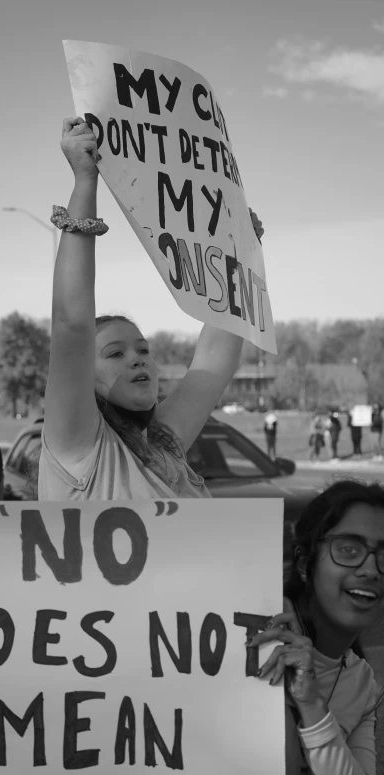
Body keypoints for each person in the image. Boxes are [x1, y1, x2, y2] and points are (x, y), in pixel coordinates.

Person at [37, 117, 264, 501]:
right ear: (82, 375)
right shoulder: (77, 444)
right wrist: (85, 181)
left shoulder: (164, 443)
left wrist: (241, 254)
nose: (138, 359)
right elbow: (72, 324)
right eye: (115, 353)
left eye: (143, 350)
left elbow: (214, 363)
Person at [249, 479, 384, 775]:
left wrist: (311, 705)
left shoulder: (361, 683)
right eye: (349, 549)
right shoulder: (255, 638)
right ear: (303, 563)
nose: (371, 570)